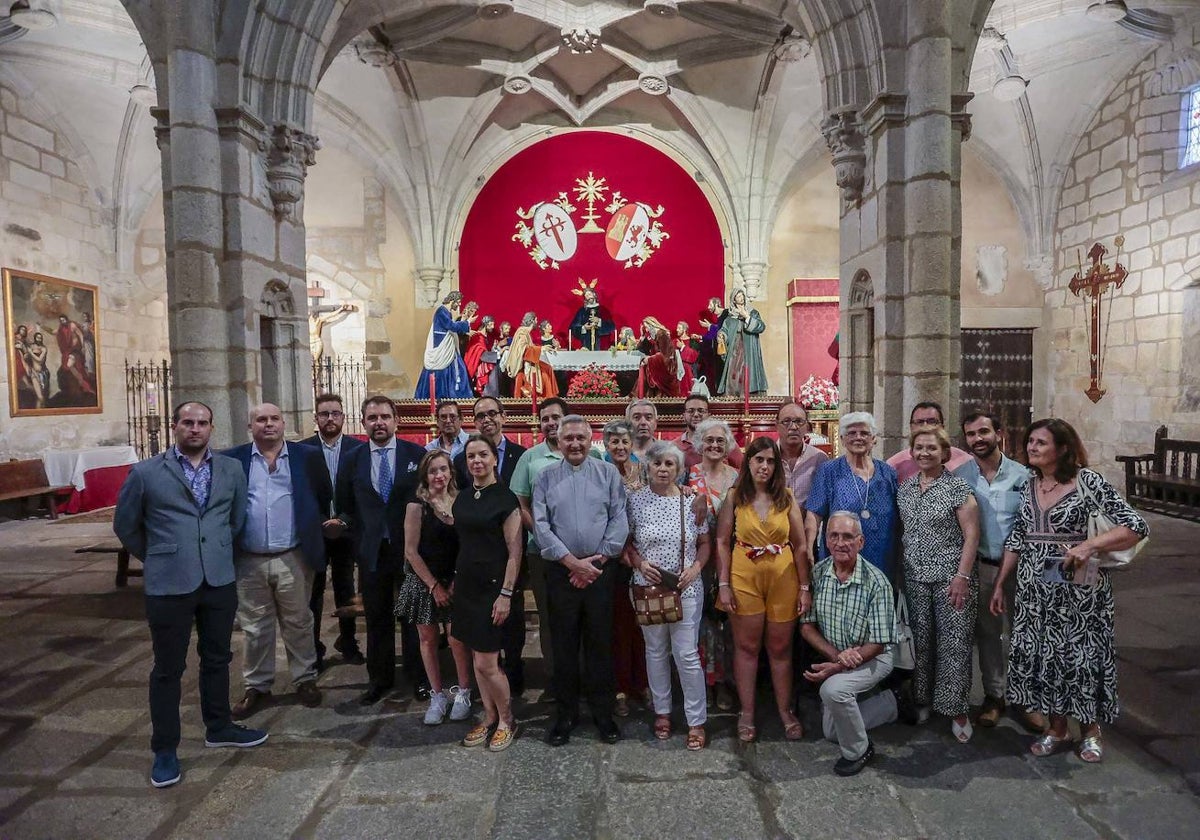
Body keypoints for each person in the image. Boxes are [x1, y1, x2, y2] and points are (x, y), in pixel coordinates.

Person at [113, 401, 266, 789]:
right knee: (168, 669)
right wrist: (161, 556)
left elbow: (234, 520)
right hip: (169, 584)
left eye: (201, 423)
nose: (194, 429)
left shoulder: (231, 470)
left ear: (211, 427)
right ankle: (165, 749)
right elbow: (126, 526)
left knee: (217, 658)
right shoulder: (146, 473)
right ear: (174, 426)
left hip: (217, 579)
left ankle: (218, 726)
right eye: (187, 423)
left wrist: (209, 551)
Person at [990, 419, 1149, 763]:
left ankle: (1090, 730)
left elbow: (1135, 525)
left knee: (1080, 657)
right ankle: (1056, 727)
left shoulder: (1087, 481)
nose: (1032, 447)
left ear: (1062, 448)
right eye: (1030, 441)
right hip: (1034, 590)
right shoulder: (1030, 484)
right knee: (1046, 657)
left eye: (1041, 442)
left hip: (1079, 590)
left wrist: (1090, 545)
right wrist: (1001, 583)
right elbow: (1018, 537)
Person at [225, 403, 333, 719]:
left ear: (284, 423)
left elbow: (322, 496)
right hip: (250, 558)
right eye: (261, 419)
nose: (268, 424)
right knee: (255, 627)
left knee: (299, 620)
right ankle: (257, 686)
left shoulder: (307, 457)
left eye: (274, 419)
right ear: (250, 426)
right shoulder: (234, 460)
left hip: (293, 555)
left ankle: (305, 678)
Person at [534, 415, 630, 746]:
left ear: (592, 441)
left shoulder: (607, 474)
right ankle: (566, 715)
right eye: (568, 438)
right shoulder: (545, 477)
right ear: (558, 442)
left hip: (600, 572)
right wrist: (572, 563)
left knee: (600, 644)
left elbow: (619, 518)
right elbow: (541, 524)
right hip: (562, 573)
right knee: (564, 647)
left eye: (581, 438)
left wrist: (597, 560)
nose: (575, 444)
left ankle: (603, 715)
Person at [715, 436, 812, 742]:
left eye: (770, 461)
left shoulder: (785, 496)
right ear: (749, 462)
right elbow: (721, 541)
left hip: (783, 577)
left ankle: (785, 712)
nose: (765, 466)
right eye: (759, 460)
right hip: (744, 575)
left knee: (781, 649)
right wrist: (723, 585)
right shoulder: (735, 496)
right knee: (746, 647)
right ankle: (746, 712)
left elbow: (799, 546)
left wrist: (805, 587)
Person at [335, 395, 429, 705]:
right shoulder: (352, 458)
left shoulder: (416, 454)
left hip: (409, 551)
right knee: (377, 619)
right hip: (372, 551)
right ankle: (379, 680)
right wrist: (353, 535)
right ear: (363, 422)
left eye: (385, 416)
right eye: (372, 417)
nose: (379, 422)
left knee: (413, 618)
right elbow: (346, 505)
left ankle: (419, 678)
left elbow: (427, 499)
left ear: (396, 420)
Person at [953, 410, 1042, 731]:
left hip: (1021, 569)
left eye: (983, 432)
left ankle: (1026, 699)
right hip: (983, 568)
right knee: (989, 635)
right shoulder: (960, 476)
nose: (977, 439)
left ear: (999, 433)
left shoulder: (1024, 476)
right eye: (971, 434)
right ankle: (995, 696)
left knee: (1025, 634)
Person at [895, 426, 980, 742]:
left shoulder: (958, 488)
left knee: (954, 644)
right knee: (921, 642)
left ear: (944, 453)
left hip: (951, 579)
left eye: (931, 448)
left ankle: (957, 709)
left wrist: (962, 577)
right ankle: (923, 700)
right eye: (918, 448)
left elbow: (972, 535)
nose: (924, 453)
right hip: (916, 578)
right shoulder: (905, 489)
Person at [627, 441, 711, 749]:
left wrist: (696, 569)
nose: (663, 469)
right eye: (657, 463)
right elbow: (625, 542)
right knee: (656, 650)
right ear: (647, 467)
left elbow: (705, 542)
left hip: (685, 585)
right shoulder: (634, 500)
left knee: (687, 655)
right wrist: (639, 562)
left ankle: (696, 720)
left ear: (679, 470)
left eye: (670, 464)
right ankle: (662, 712)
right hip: (647, 585)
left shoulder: (692, 500)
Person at [800, 512, 898, 776]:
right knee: (831, 731)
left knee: (832, 691)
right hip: (840, 656)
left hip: (875, 656)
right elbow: (807, 627)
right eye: (834, 536)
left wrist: (837, 667)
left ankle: (858, 750)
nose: (840, 543)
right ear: (826, 540)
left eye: (848, 537)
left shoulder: (877, 582)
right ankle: (893, 703)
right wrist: (836, 657)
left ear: (861, 542)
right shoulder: (818, 574)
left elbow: (878, 642)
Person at [452, 397, 528, 693]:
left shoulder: (521, 454)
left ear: (503, 416)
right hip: (474, 563)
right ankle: (490, 697)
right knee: (481, 642)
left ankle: (514, 672)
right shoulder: (462, 461)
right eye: (479, 415)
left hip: (509, 555)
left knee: (512, 623)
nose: (487, 419)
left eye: (492, 413)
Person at [453, 435, 524, 751]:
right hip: (467, 586)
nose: (476, 461)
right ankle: (489, 714)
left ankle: (508, 719)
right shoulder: (464, 497)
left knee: (487, 662)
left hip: (493, 588)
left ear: (495, 459)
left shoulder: (506, 499)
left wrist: (506, 593)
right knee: (476, 657)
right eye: (471, 456)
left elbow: (514, 552)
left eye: (483, 455)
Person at [395, 450, 474, 725]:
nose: (439, 475)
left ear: (451, 471)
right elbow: (410, 551)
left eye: (443, 469)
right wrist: (434, 586)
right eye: (433, 471)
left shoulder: (462, 501)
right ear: (425, 476)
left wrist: (454, 579)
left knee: (457, 638)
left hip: (455, 580)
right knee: (428, 640)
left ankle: (464, 692)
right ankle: (437, 696)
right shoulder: (417, 505)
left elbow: (468, 544)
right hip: (424, 581)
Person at [301, 393, 366, 670]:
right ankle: (314, 649)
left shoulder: (356, 449)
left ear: (343, 417)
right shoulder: (303, 451)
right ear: (316, 419)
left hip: (346, 530)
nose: (330, 418)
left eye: (335, 413)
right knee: (313, 592)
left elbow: (360, 492)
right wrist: (319, 522)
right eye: (324, 414)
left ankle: (348, 642)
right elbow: (301, 493)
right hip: (315, 531)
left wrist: (344, 521)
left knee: (345, 587)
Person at [805, 412, 900, 577]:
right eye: (851, 433)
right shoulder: (829, 471)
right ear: (842, 439)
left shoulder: (888, 473)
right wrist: (807, 548)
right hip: (841, 560)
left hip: (883, 560)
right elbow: (814, 514)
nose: (858, 437)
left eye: (864, 433)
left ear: (874, 439)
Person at [687, 417, 739, 710]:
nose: (715, 445)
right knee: (703, 625)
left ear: (728, 444)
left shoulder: (737, 477)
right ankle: (705, 684)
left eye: (720, 440)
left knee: (727, 625)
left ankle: (726, 683)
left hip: (732, 560)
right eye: (709, 440)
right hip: (699, 561)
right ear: (700, 444)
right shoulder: (688, 476)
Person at [602, 420, 648, 717]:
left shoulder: (644, 470)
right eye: (614, 442)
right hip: (615, 559)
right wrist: (619, 550)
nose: (620, 447)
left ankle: (642, 685)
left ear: (632, 444)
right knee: (618, 626)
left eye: (624, 442)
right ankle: (618, 688)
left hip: (644, 556)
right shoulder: (601, 472)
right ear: (606, 445)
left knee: (643, 625)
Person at [886, 401, 972, 482]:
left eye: (932, 421)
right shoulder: (894, 465)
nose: (925, 426)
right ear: (911, 427)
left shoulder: (964, 461)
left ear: (942, 426)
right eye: (919, 422)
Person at [415, 291, 474, 399]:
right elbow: (450, 325)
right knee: (443, 373)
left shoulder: (447, 312)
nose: (459, 305)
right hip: (441, 348)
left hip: (447, 347)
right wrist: (467, 322)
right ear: (452, 300)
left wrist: (464, 322)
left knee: (457, 369)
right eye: (458, 302)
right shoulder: (441, 311)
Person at [776, 402, 829, 509]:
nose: (794, 427)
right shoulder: (766, 457)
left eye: (799, 422)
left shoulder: (819, 458)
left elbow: (825, 499)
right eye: (786, 421)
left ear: (806, 427)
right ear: (776, 426)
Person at [717, 289, 767, 396]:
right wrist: (721, 335)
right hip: (734, 349)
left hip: (749, 349)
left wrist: (747, 317)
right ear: (734, 300)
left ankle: (750, 395)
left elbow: (761, 327)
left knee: (748, 371)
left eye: (742, 296)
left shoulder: (752, 312)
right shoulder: (730, 317)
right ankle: (733, 396)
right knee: (733, 372)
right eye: (738, 296)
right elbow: (724, 329)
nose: (741, 298)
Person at [677, 394, 743, 471]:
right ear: (684, 415)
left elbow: (742, 469)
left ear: (708, 415)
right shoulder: (675, 446)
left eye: (701, 411)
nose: (696, 415)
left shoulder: (724, 441)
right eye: (691, 411)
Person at [504, 311, 559, 400]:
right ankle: (547, 397)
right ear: (532, 321)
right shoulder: (522, 332)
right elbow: (523, 350)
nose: (537, 322)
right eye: (536, 320)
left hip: (529, 360)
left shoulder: (526, 332)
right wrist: (541, 349)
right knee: (545, 371)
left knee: (548, 367)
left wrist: (540, 348)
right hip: (523, 364)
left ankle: (551, 397)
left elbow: (529, 347)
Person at [639, 328, 692, 398]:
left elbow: (650, 363)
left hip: (661, 391)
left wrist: (646, 360)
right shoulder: (673, 352)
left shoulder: (657, 357)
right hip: (673, 387)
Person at [569, 283, 615, 350]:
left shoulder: (603, 310)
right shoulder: (582, 311)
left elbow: (611, 326)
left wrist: (599, 321)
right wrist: (583, 328)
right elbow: (573, 327)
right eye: (586, 295)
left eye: (590, 294)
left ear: (594, 294)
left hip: (602, 344)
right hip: (585, 345)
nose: (588, 296)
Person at [465, 314, 494, 394]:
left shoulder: (484, 337)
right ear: (485, 325)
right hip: (478, 364)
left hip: (483, 360)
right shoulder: (477, 336)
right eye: (491, 324)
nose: (493, 327)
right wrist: (495, 355)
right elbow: (478, 351)